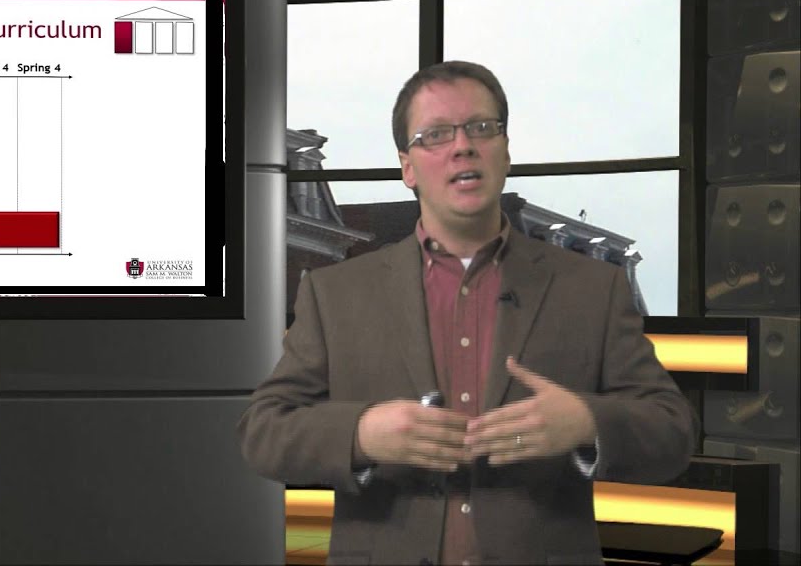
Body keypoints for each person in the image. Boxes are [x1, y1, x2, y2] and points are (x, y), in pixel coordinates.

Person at [237, 61, 697, 566]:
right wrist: (362, 435)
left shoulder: (591, 288)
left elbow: (673, 431)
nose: (462, 146)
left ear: (505, 150)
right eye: (436, 134)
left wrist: (585, 423)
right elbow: (264, 432)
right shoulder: (336, 293)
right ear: (408, 167)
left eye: (481, 127)